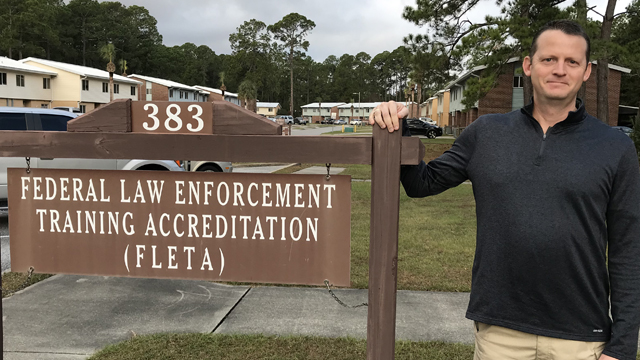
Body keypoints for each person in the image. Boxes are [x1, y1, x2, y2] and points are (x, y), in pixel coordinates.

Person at [370, 20, 640, 360]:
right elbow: (420, 184)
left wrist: (623, 346)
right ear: (528, 66)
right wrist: (397, 125)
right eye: (548, 59)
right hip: (500, 333)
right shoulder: (487, 133)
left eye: (572, 62)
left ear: (586, 72)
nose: (560, 70)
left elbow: (629, 250)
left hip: (581, 336)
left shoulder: (614, 147)